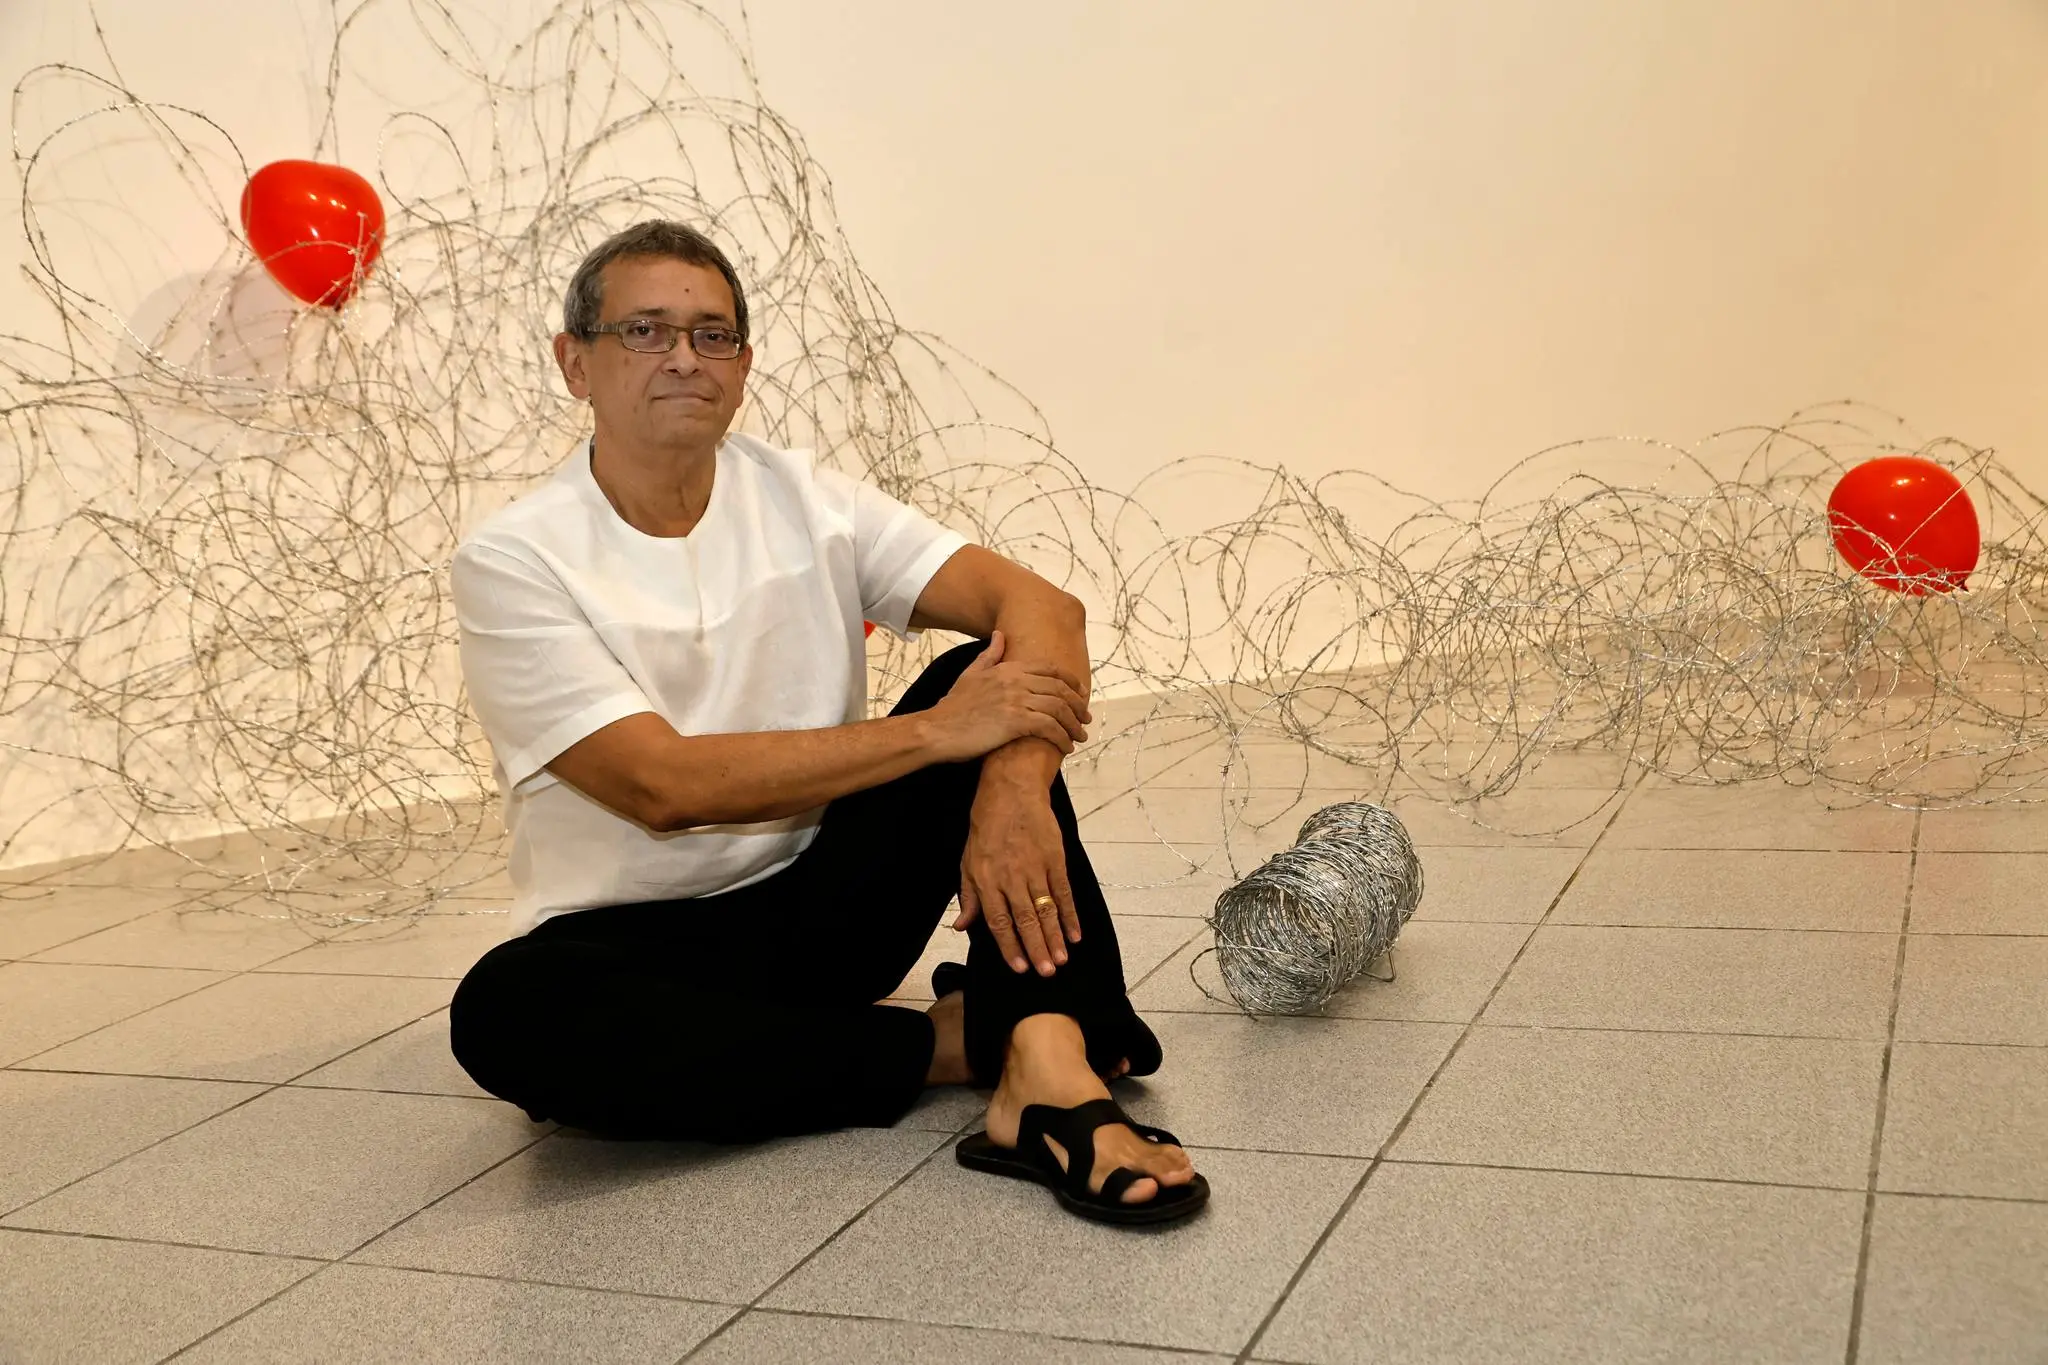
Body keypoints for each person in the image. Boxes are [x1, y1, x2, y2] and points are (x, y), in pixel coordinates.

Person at [446, 220, 1206, 1224]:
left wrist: (1014, 787)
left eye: (713, 334)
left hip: (830, 910)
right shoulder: (515, 558)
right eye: (644, 330)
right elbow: (660, 786)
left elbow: (1043, 609)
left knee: (981, 682)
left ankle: (1048, 1073)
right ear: (574, 363)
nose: (684, 357)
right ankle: (964, 1041)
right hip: (636, 947)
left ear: (742, 366)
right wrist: (938, 735)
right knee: (506, 1016)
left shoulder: (805, 497)